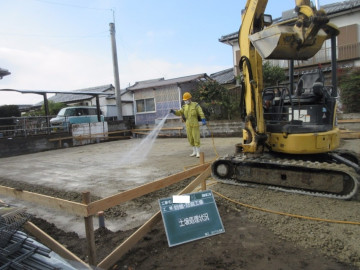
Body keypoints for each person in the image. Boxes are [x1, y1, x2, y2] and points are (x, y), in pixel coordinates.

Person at [170, 92, 206, 158]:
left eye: (186, 100)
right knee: (190, 138)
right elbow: (179, 113)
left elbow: (200, 112)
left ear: (190, 99)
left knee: (196, 137)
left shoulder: (195, 105)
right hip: (188, 124)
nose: (185, 101)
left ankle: (198, 152)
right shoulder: (184, 107)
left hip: (194, 123)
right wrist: (174, 112)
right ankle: (194, 152)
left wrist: (203, 119)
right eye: (185, 100)